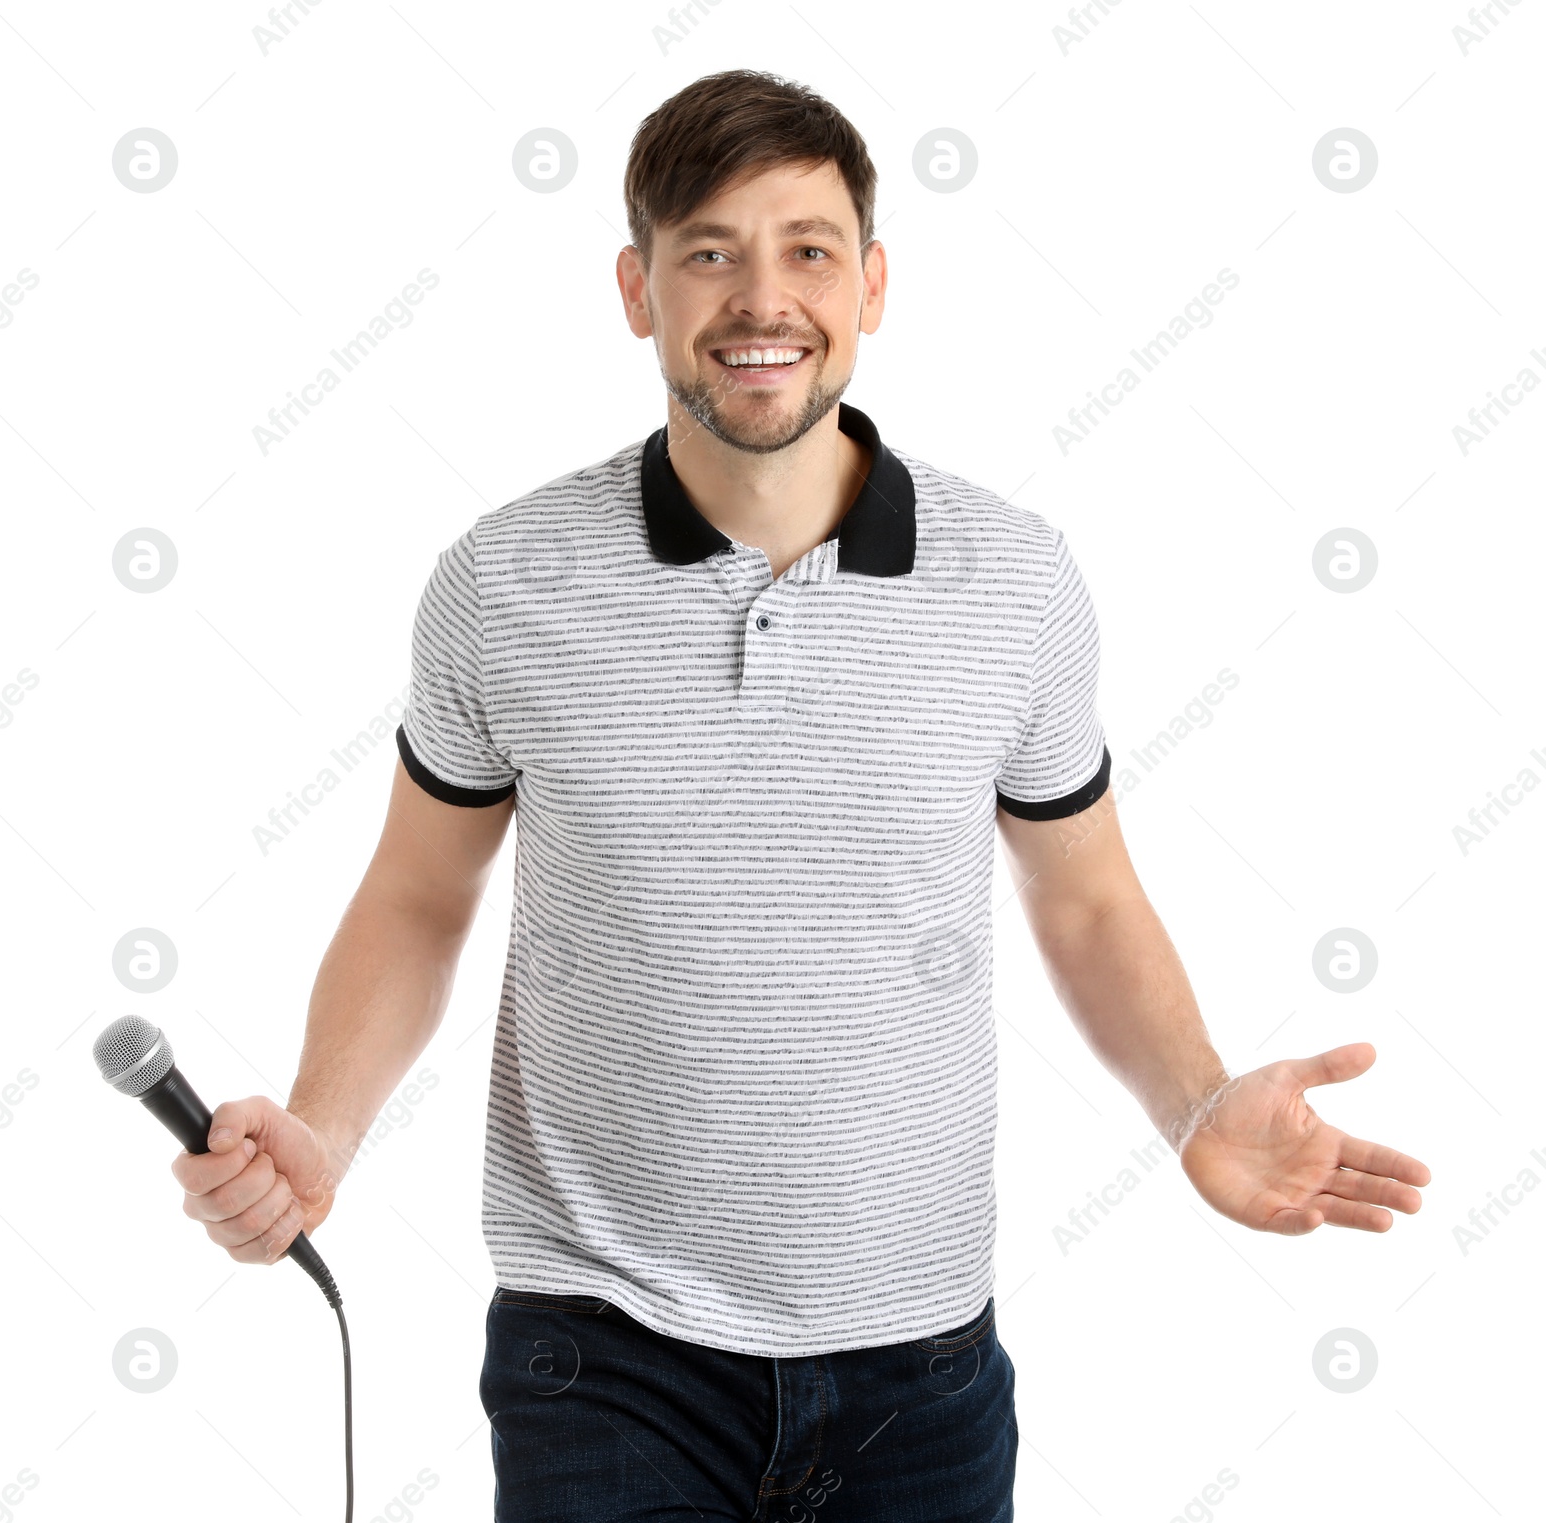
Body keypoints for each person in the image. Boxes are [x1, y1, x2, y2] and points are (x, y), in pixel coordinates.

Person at [170, 69, 1431, 1522]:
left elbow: (1083, 898)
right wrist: (325, 1127)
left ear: (874, 284)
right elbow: (416, 893)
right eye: (709, 250)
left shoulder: (1014, 582)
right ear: (636, 289)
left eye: (808, 250)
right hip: (602, 1352)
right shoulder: (503, 584)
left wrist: (1196, 1098)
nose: (761, 298)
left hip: (922, 1360)